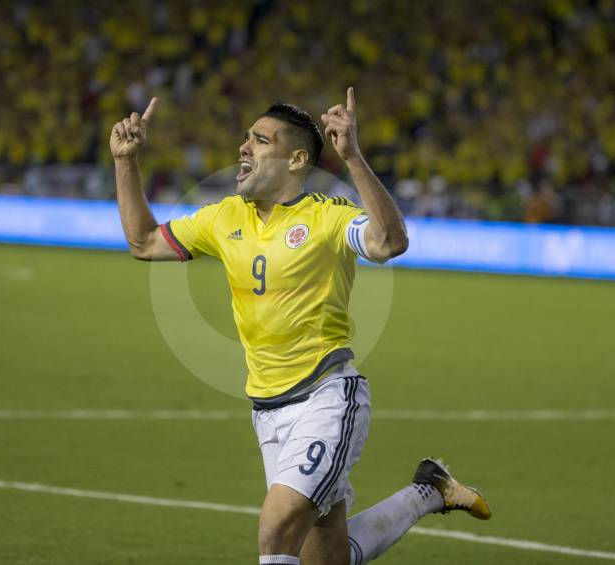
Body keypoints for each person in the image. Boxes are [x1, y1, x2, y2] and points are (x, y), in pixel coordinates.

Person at [112, 89, 491, 565]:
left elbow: (389, 241)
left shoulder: (326, 217)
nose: (243, 148)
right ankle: (429, 490)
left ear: (296, 160)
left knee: (275, 530)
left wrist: (352, 156)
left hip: (326, 398)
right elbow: (144, 242)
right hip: (267, 411)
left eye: (259, 140)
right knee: (325, 559)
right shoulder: (225, 216)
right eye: (245, 138)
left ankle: (427, 491)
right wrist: (125, 161)